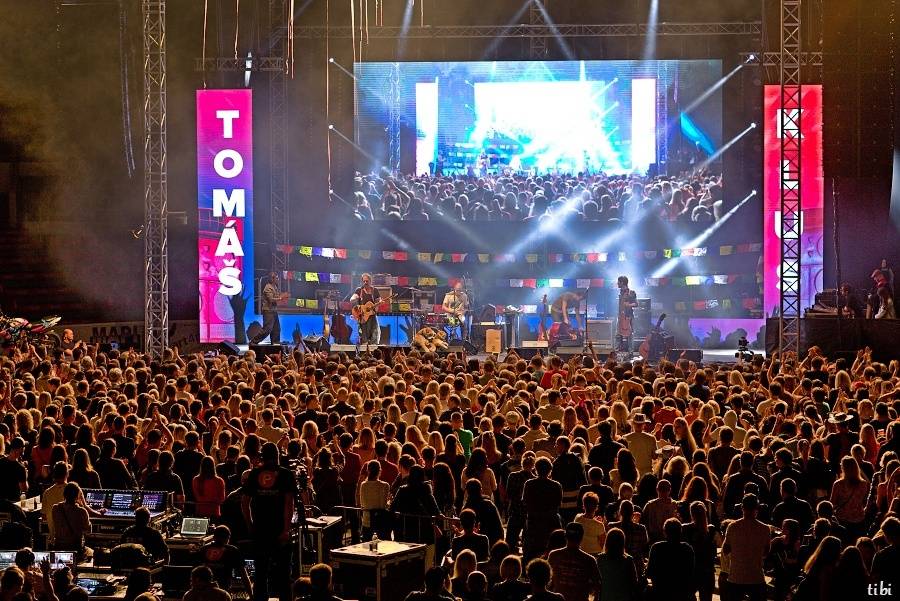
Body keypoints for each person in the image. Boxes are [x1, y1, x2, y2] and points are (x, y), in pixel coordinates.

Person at [241, 442, 297, 601]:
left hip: (260, 529)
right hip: (279, 528)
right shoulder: (286, 474)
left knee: (260, 572)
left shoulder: (254, 474)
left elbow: (244, 502)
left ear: (262, 456)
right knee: (284, 574)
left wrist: (250, 524)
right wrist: (286, 529)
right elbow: (289, 503)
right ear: (277, 455)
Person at [721, 494, 771, 601]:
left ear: (742, 508)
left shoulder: (732, 527)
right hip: (756, 576)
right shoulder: (765, 529)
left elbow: (725, 550)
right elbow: (766, 552)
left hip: (736, 576)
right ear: (757, 508)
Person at [546, 522, 602, 601]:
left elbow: (546, 581)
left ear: (565, 536)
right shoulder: (589, 560)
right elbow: (598, 585)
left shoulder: (554, 555)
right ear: (582, 537)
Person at [646, 518, 695, 601]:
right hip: (681, 593)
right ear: (680, 532)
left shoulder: (657, 548)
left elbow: (649, 573)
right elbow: (691, 572)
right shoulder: (687, 548)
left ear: (665, 532)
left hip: (661, 592)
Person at [198, 525, 252, 594]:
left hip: (203, 593)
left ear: (214, 537)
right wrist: (251, 595)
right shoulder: (232, 550)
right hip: (223, 592)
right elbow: (244, 575)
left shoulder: (203, 549)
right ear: (228, 538)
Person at [50, 483, 91, 555]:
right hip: (75, 548)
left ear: (64, 494)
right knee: (91, 552)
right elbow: (88, 530)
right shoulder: (81, 511)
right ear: (77, 496)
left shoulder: (55, 508)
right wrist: (82, 505)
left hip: (59, 546)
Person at [251, 272, 284, 344]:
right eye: (277, 278)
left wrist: (282, 297)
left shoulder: (274, 286)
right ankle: (254, 341)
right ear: (272, 279)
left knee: (276, 329)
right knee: (267, 329)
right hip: (268, 311)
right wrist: (280, 299)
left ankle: (275, 342)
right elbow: (271, 299)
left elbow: (276, 297)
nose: (278, 279)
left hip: (273, 310)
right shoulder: (268, 288)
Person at [350, 273, 380, 345]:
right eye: (364, 281)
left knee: (374, 334)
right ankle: (364, 347)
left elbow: (378, 301)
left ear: (370, 281)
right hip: (362, 316)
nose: (365, 282)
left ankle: (373, 349)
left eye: (367, 281)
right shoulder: (359, 290)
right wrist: (354, 298)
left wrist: (379, 303)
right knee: (363, 336)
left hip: (372, 316)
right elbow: (352, 298)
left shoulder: (375, 290)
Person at [615, 276, 638, 353]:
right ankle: (616, 352)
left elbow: (636, 304)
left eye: (618, 282)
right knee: (618, 334)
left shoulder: (631, 292)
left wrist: (629, 305)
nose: (617, 283)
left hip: (628, 317)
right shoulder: (620, 292)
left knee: (629, 334)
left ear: (622, 282)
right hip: (620, 316)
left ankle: (630, 352)